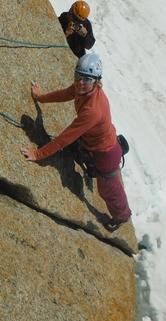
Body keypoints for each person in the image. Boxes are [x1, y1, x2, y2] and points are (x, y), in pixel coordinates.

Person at [20, 54, 131, 232]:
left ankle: (122, 216)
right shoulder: (84, 89)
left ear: (96, 81)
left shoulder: (93, 110)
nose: (80, 81)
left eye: (87, 78)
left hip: (106, 153)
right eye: (78, 75)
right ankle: (88, 161)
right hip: (92, 140)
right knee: (79, 148)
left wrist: (37, 154)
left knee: (107, 189)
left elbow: (66, 137)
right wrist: (40, 98)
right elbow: (64, 94)